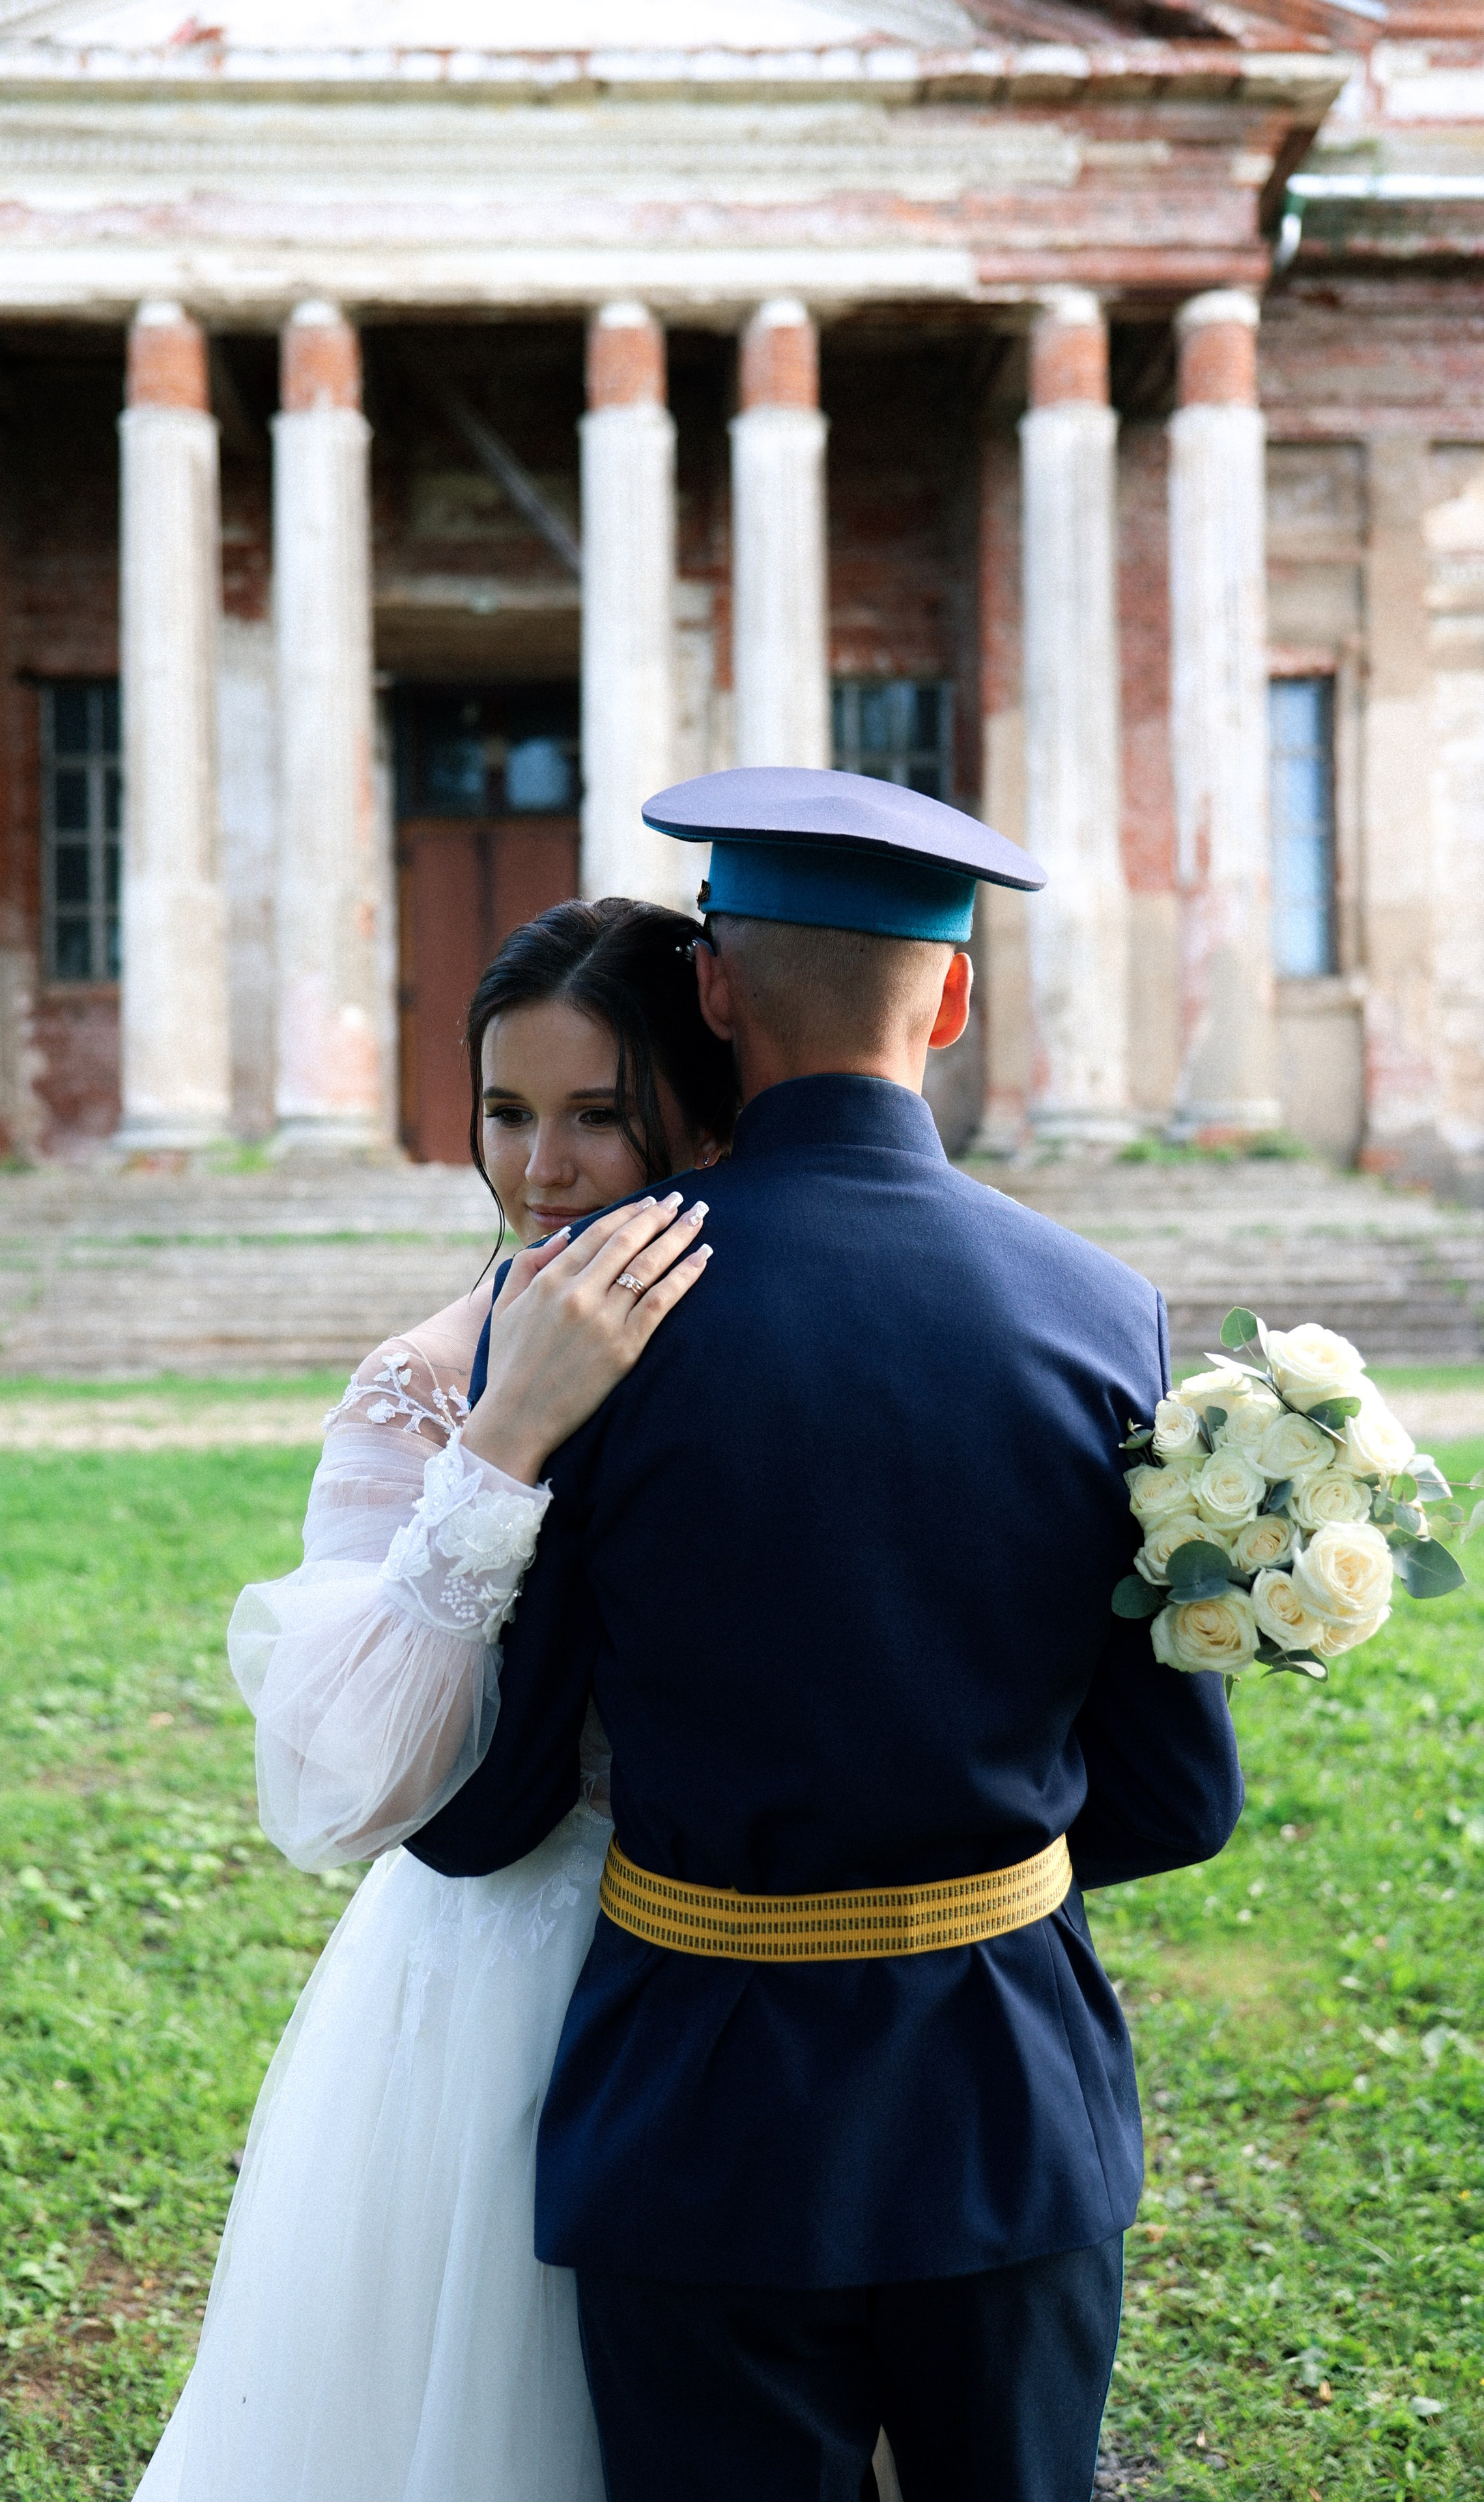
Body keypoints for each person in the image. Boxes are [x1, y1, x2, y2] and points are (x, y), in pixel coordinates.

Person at [410, 768, 1246, 2502]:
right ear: (950, 997)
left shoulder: (591, 1314)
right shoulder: (1104, 1316)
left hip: (693, 2118)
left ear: (713, 989)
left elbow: (485, 1812)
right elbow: (1177, 1803)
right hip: (1005, 2101)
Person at [132, 897, 737, 2502]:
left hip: (747, 1957)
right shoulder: (422, 1372)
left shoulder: (776, 1344)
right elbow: (351, 1772)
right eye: (508, 1113)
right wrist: (502, 1440)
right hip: (496, 1962)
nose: (544, 1168)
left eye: (600, 1115)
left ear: (699, 1100)